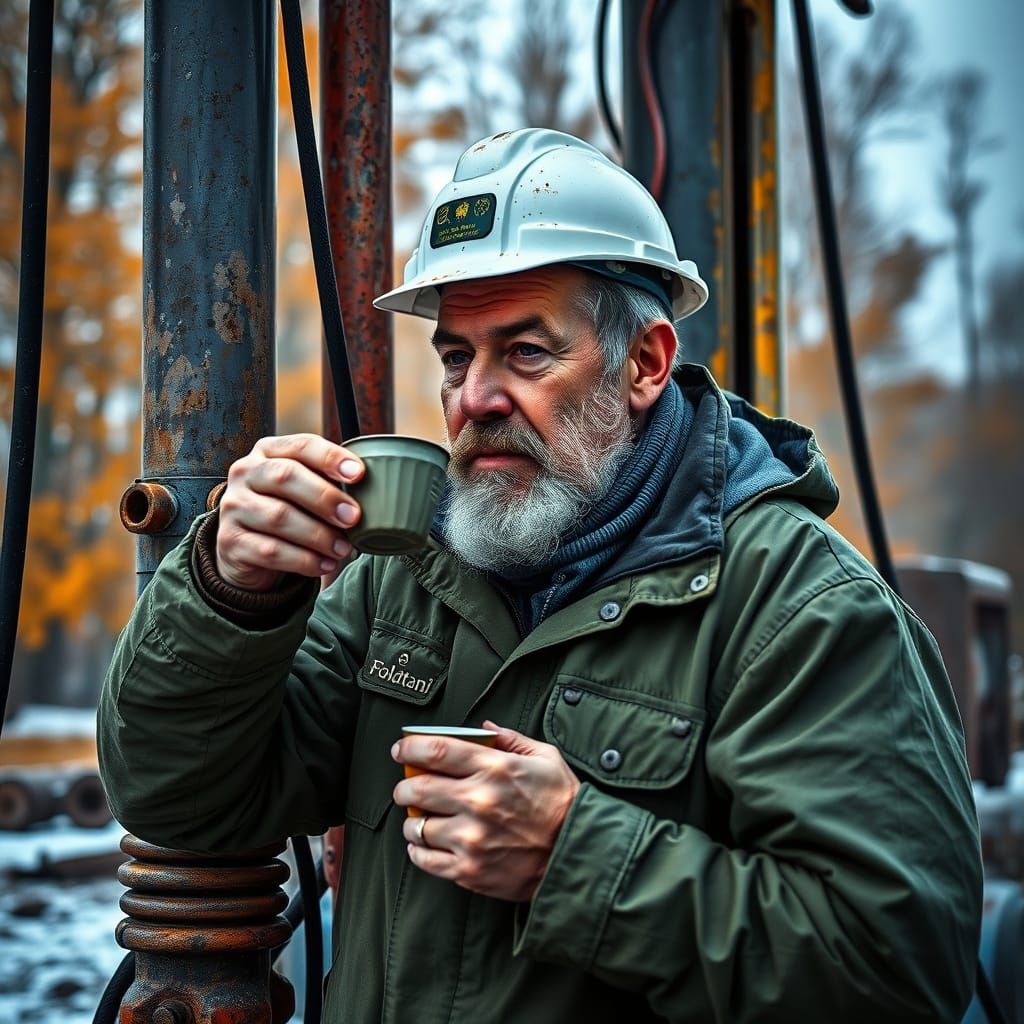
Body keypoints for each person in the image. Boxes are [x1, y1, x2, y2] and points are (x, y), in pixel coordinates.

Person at [99, 128, 981, 1022]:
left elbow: (899, 971)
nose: (474, 397)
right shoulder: (407, 577)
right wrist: (230, 590)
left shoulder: (800, 609)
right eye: (456, 356)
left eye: (525, 352)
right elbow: (182, 798)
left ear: (645, 363)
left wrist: (578, 858)